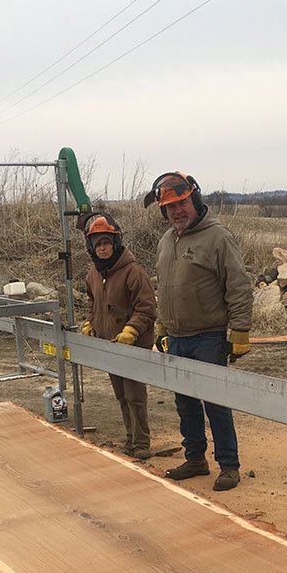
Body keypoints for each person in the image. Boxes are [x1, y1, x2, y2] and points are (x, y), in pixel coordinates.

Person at [144, 172, 253, 491]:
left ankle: (229, 465)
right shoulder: (167, 241)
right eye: (169, 207)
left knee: (215, 402)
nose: (176, 211)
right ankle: (195, 459)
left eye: (181, 203)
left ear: (195, 199)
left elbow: (238, 285)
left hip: (209, 335)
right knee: (185, 402)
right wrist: (162, 324)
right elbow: (165, 287)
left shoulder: (218, 237)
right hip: (177, 336)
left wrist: (240, 330)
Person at [81, 213, 156, 460]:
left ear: (116, 243)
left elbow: (146, 307)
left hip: (132, 344)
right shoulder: (93, 273)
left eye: (107, 242)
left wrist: (132, 330)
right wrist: (90, 322)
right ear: (92, 246)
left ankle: (142, 443)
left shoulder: (133, 272)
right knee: (121, 395)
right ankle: (130, 438)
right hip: (110, 345)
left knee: (135, 395)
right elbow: (93, 302)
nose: (103, 248)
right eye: (98, 243)